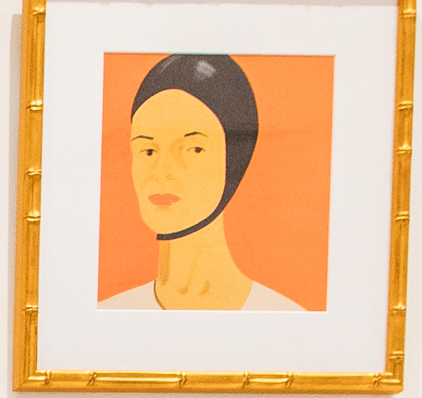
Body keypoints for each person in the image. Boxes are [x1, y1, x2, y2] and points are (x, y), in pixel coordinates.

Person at [99, 53, 299, 312]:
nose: (162, 172)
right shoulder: (109, 315)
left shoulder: (284, 317)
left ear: (235, 159)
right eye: (148, 151)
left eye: (193, 149)